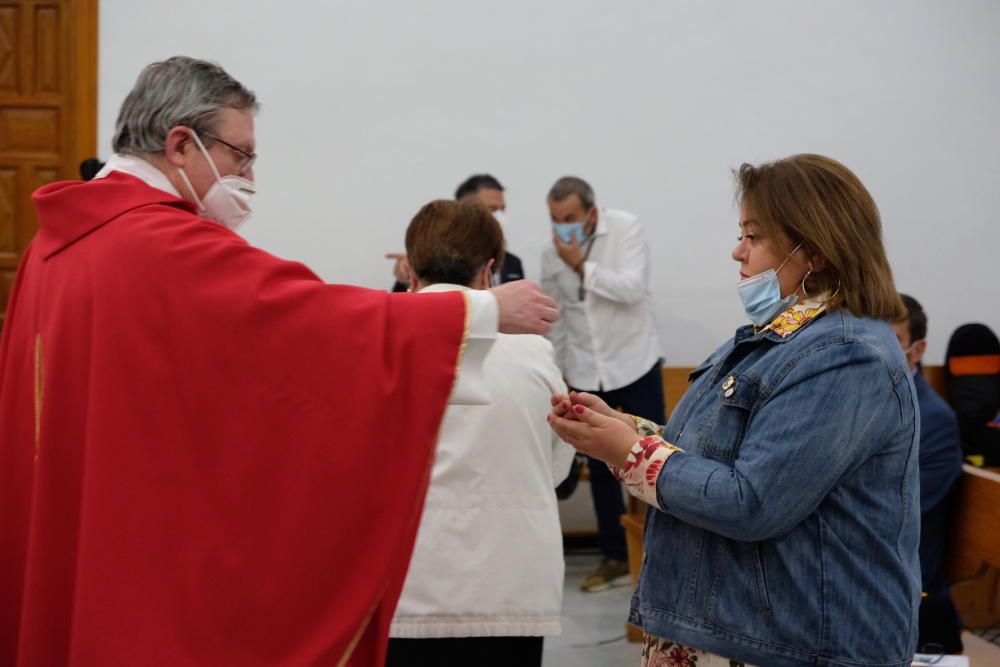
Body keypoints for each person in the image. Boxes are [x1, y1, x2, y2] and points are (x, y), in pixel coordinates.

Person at [0, 56, 558, 667]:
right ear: (181, 144)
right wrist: (479, 312)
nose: (249, 176)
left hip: (84, 528)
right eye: (242, 156)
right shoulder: (159, 246)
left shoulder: (55, 246)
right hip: (145, 561)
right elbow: (309, 324)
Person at [548, 155, 920, 666]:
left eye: (753, 236)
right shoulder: (777, 339)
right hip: (739, 625)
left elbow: (754, 501)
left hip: (797, 642)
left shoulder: (844, 354)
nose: (736, 251)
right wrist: (621, 429)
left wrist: (633, 453)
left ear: (812, 248)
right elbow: (716, 452)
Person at [385, 199, 574, 667]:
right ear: (491, 271)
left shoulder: (379, 346)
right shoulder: (532, 353)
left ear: (410, 272)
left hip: (408, 582)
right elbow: (554, 470)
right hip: (510, 583)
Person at [540, 175, 663, 592]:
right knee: (600, 463)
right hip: (587, 370)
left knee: (650, 458)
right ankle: (613, 557)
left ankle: (660, 555)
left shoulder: (625, 228)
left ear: (591, 212)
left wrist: (581, 266)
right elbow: (555, 316)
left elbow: (632, 289)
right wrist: (555, 371)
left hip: (634, 362)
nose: (562, 227)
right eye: (555, 219)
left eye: (570, 217)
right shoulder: (550, 252)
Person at [892, 294, 965, 653]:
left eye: (891, 343)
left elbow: (894, 512)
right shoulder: (854, 401)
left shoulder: (934, 420)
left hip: (909, 603)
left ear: (917, 350)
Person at [388, 174, 523, 292]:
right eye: (491, 209)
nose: (499, 217)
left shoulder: (513, 262)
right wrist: (403, 279)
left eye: (502, 209)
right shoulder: (430, 254)